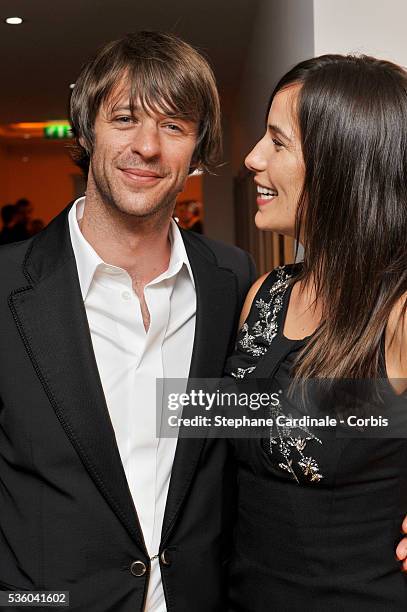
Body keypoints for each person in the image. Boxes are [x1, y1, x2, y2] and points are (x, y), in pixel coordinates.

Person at [0, 32, 255, 611]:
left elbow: (273, 421)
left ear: (197, 149)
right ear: (86, 130)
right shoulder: (7, 288)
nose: (147, 146)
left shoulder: (231, 282)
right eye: (124, 118)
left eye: (173, 126)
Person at [224, 54, 407, 610]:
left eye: (278, 143)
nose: (253, 158)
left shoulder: (398, 315)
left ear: (342, 165)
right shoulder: (264, 295)